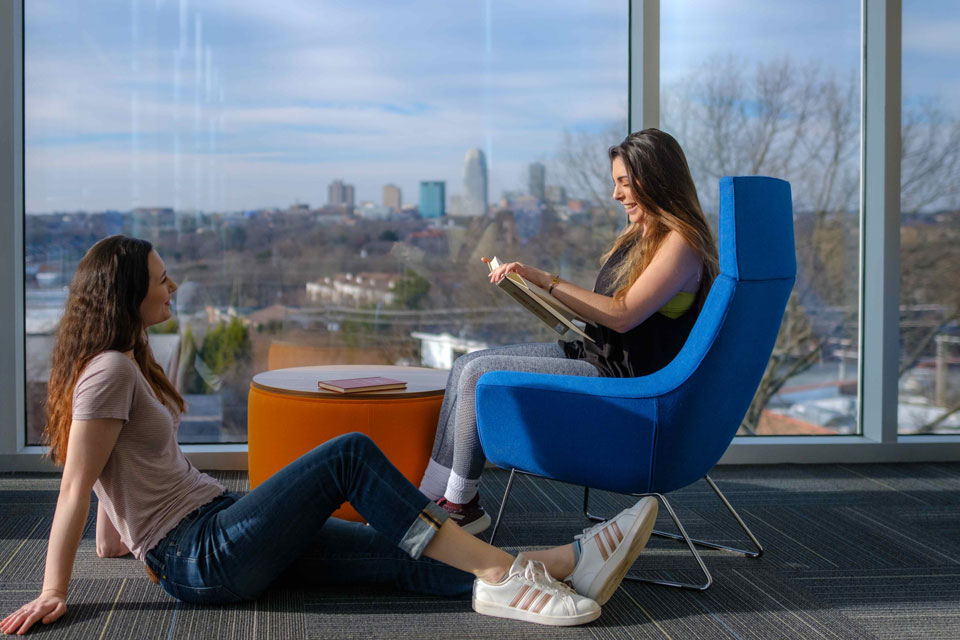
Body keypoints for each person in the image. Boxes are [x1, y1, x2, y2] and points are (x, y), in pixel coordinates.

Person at [1, 236, 660, 635]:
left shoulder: (123, 362)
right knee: (349, 455)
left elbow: (113, 481)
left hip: (215, 528)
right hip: (203, 552)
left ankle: (569, 564)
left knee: (397, 555)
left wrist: (119, 539)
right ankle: (504, 572)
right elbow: (73, 489)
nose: (172, 284)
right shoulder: (109, 371)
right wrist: (57, 590)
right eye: (161, 278)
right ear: (126, 295)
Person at [419, 128, 719, 533]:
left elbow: (622, 314)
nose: (616, 195)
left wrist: (546, 280)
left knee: (478, 377)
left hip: (624, 381)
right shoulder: (641, 237)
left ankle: (459, 506)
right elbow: (603, 314)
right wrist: (528, 289)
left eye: (624, 183)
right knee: (466, 364)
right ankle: (427, 500)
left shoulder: (681, 244)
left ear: (658, 179)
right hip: (595, 353)